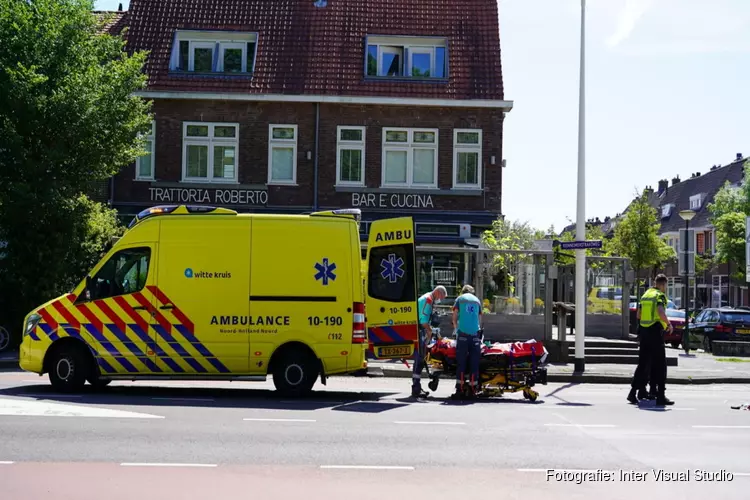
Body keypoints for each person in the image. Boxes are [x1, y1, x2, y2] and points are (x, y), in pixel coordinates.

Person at [628, 274, 674, 406]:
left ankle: (633, 392)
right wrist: (668, 324)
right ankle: (660, 396)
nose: (665, 288)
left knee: (643, 364)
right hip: (655, 331)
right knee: (660, 365)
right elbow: (660, 311)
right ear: (663, 284)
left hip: (644, 332)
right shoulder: (659, 296)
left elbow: (639, 314)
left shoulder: (646, 294)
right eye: (666, 285)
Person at [412, 285, 447, 398]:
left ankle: (416, 387)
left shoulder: (428, 298)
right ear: (437, 292)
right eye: (441, 296)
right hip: (420, 331)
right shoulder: (428, 299)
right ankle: (416, 388)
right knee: (420, 360)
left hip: (420, 331)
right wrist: (429, 331)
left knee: (420, 360)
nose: (440, 300)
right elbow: (423, 321)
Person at [452, 285, 483, 398]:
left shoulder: (459, 299)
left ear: (463, 291)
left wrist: (456, 328)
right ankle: (473, 389)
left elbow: (454, 315)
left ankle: (460, 390)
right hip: (475, 335)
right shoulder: (477, 301)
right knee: (474, 362)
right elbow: (479, 319)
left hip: (463, 334)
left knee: (461, 363)